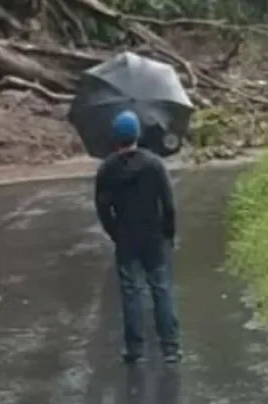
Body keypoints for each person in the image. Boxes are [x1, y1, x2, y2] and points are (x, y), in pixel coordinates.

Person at [94, 110, 181, 364]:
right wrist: (169, 234)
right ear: (137, 135)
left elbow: (102, 208)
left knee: (131, 292)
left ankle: (135, 349)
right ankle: (171, 348)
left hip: (126, 238)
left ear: (115, 137)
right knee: (161, 289)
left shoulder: (107, 170)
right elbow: (168, 204)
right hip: (153, 236)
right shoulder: (155, 164)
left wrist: (115, 233)